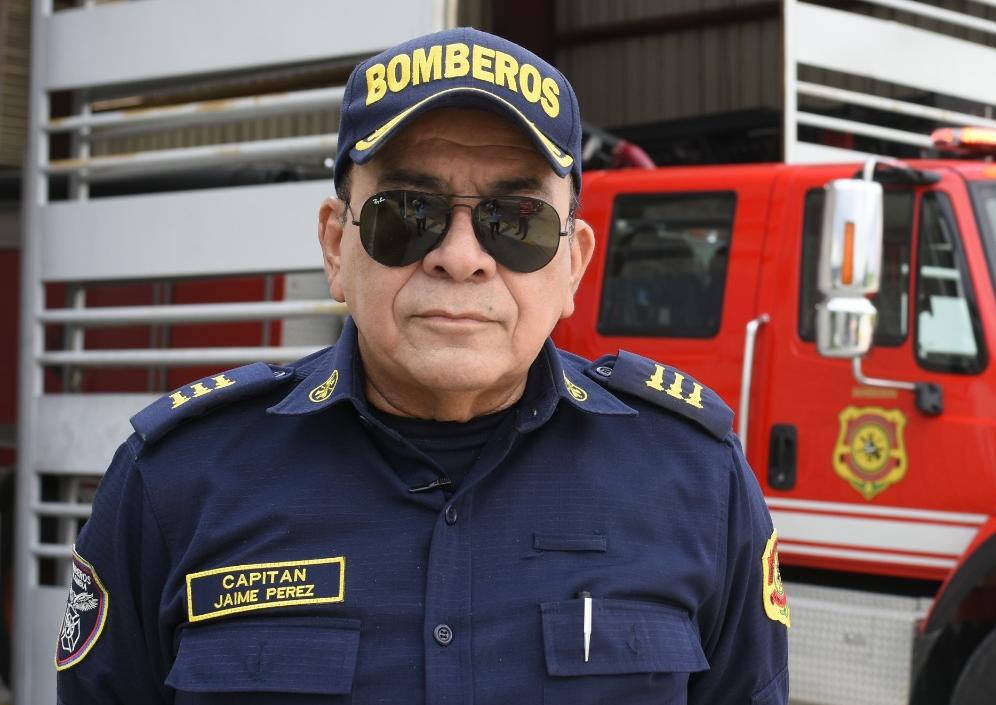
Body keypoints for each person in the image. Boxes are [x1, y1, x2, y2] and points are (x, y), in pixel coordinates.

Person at [55, 28, 789, 704]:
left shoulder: (699, 482)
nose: (461, 257)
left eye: (516, 222)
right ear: (336, 246)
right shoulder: (173, 483)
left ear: (573, 263)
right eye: (408, 213)